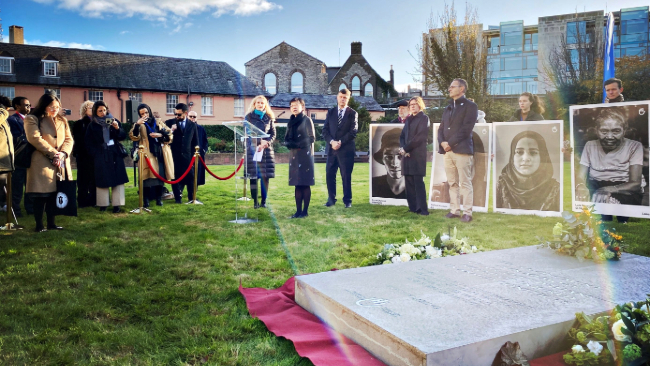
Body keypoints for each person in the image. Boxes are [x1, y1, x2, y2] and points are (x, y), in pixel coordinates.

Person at [576, 108, 643, 212]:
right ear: (597, 130)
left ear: (624, 131)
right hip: (595, 184)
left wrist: (609, 190)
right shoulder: (590, 145)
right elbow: (580, 176)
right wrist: (580, 186)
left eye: (616, 131)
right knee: (585, 200)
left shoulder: (634, 146)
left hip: (623, 186)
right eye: (604, 131)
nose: (610, 137)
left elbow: (635, 183)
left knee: (614, 203)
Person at [24, 93, 73, 232]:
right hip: (41, 162)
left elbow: (69, 139)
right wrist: (54, 153)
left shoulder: (62, 120)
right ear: (44, 106)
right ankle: (39, 225)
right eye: (51, 107)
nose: (54, 109)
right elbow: (34, 139)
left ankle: (52, 223)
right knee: (41, 195)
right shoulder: (32, 119)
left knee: (54, 195)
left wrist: (63, 153)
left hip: (60, 162)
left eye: (57, 107)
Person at [438, 78, 478, 223]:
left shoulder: (471, 106)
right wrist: (442, 142)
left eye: (452, 86)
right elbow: (441, 128)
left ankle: (467, 213)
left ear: (461, 89)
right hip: (447, 152)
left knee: (465, 183)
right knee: (452, 182)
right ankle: (454, 211)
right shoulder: (448, 107)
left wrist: (450, 143)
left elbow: (466, 129)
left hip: (462, 150)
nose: (449, 89)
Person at [496, 130, 560, 211]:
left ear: (542, 157)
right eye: (519, 152)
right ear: (512, 156)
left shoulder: (555, 189)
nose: (526, 158)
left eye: (533, 152)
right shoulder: (501, 186)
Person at [85, 101, 129, 213]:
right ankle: (103, 204)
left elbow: (122, 136)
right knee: (102, 178)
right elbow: (88, 142)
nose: (103, 112)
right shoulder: (92, 125)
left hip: (114, 153)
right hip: (101, 154)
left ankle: (117, 204)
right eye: (100, 110)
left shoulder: (113, 120)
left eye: (104, 110)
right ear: (95, 111)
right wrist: (95, 153)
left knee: (117, 179)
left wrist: (117, 128)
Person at [130, 103, 174, 207]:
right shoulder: (139, 124)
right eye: (142, 114)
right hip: (146, 154)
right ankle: (146, 201)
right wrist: (137, 124)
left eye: (146, 112)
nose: (145, 115)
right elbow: (133, 136)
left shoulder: (158, 122)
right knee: (146, 179)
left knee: (159, 179)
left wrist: (160, 135)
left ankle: (159, 199)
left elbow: (169, 134)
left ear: (149, 111)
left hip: (158, 153)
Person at [323, 88, 358, 208]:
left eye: (345, 98)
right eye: (341, 97)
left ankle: (347, 200)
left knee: (346, 176)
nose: (342, 99)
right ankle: (331, 199)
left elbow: (353, 131)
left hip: (346, 151)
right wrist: (332, 142)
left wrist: (340, 142)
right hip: (332, 150)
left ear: (348, 99)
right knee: (329, 175)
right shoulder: (331, 112)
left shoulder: (353, 113)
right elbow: (325, 131)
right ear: (337, 97)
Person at [284, 97, 315, 218]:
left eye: (296, 105)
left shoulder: (307, 120)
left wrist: (298, 145)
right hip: (294, 157)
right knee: (297, 184)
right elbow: (287, 139)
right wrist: (289, 144)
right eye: (292, 105)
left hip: (305, 155)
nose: (294, 107)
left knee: (305, 184)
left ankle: (305, 212)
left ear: (302, 107)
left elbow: (311, 138)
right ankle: (298, 212)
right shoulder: (290, 122)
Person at [244, 95, 276, 209]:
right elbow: (247, 133)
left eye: (262, 103)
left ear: (265, 105)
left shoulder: (269, 118)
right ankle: (255, 202)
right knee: (253, 177)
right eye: (258, 103)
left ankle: (263, 201)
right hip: (253, 150)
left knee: (265, 177)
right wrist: (258, 142)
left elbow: (273, 134)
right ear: (254, 104)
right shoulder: (248, 117)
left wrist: (266, 143)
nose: (260, 104)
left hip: (266, 152)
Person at [400, 97, 430, 215]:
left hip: (417, 155)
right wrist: (403, 149)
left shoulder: (424, 118)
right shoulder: (408, 119)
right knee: (409, 183)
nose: (412, 106)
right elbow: (402, 136)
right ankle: (412, 208)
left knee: (418, 183)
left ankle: (423, 209)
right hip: (406, 155)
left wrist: (406, 148)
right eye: (411, 105)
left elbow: (420, 137)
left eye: (415, 104)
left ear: (420, 105)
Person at [165, 103, 198, 203]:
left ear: (185, 113)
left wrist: (195, 156)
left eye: (179, 114)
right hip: (174, 155)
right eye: (175, 114)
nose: (176, 116)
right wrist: (171, 130)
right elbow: (164, 138)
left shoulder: (192, 125)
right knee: (175, 177)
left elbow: (195, 142)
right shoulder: (169, 122)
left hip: (188, 157)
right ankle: (177, 198)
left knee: (190, 178)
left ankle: (191, 198)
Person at [7, 96, 33, 216]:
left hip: (31, 158)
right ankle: (15, 211)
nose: (29, 107)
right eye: (26, 105)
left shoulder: (31, 119)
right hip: (19, 158)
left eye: (29, 105)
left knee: (29, 186)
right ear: (17, 106)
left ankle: (30, 208)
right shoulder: (13, 120)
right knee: (17, 187)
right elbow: (15, 139)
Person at [72, 101, 96, 208]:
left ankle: (93, 200)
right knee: (83, 179)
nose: (93, 109)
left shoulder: (98, 122)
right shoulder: (79, 123)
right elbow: (79, 140)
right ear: (85, 109)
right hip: (83, 156)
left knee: (94, 179)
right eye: (91, 107)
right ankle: (82, 201)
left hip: (94, 155)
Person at [372, 128, 405, 199]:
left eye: (400, 156)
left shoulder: (417, 187)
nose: (394, 164)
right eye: (389, 157)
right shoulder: (374, 185)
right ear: (382, 158)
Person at [188, 111, 209, 188]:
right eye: (191, 116)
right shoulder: (184, 127)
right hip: (187, 155)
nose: (192, 118)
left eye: (194, 117)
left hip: (198, 155)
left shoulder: (201, 128)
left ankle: (194, 191)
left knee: (197, 172)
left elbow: (205, 141)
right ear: (187, 117)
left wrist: (203, 150)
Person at [0, 96, 13, 211]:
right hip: (1, 161)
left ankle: (3, 204)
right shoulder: (2, 114)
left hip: (5, 161)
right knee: (2, 185)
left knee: (4, 185)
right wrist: (3, 110)